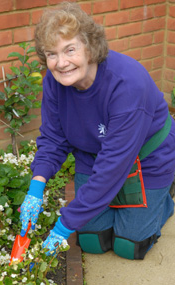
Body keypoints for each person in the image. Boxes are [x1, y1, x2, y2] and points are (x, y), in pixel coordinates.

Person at [20, 1, 175, 260]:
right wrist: (37, 185)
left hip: (147, 160)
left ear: (90, 48)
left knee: (130, 247)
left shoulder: (127, 85)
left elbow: (114, 165)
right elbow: (53, 138)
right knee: (93, 241)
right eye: (52, 54)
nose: (61, 63)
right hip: (93, 158)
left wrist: (63, 226)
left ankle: (164, 198)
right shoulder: (54, 83)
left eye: (70, 50)